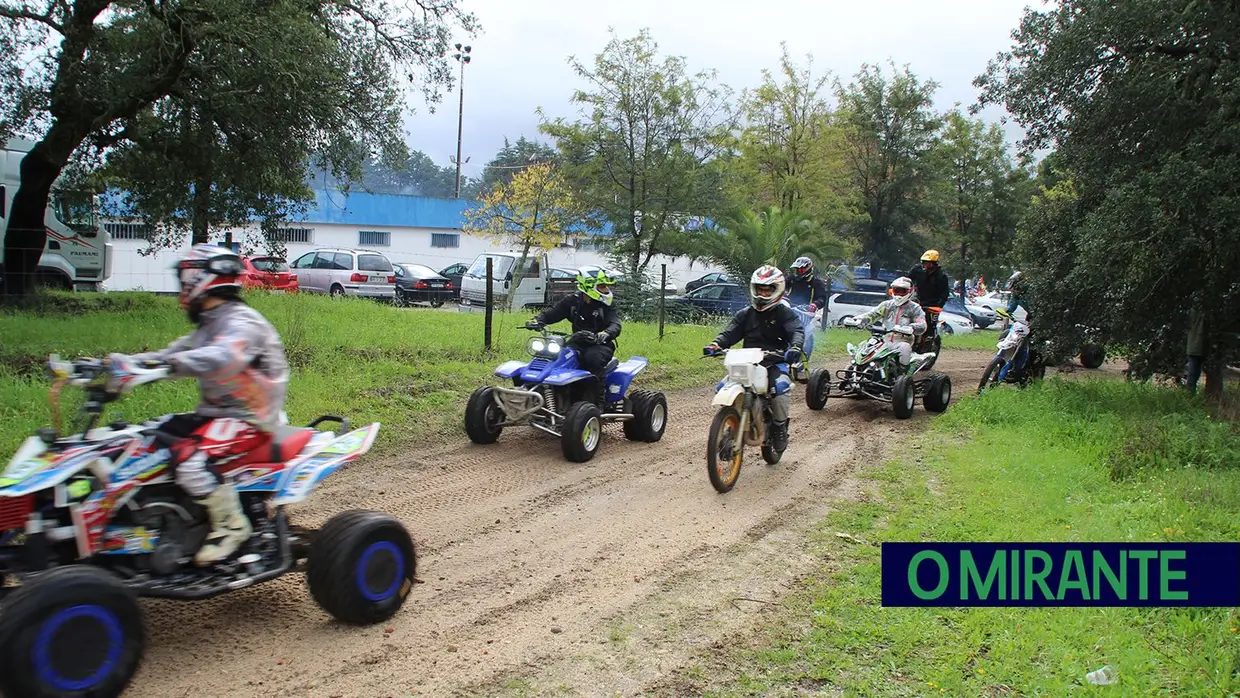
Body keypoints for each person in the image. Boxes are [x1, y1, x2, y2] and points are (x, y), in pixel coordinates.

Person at [111, 243, 291, 566]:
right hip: (216, 415)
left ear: (200, 279)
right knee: (145, 437)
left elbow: (224, 356)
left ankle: (230, 526)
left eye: (185, 279)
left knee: (191, 461)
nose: (182, 287)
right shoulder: (210, 324)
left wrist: (169, 366)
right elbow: (167, 356)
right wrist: (118, 365)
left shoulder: (243, 321)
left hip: (251, 420)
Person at [703, 265, 804, 452]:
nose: (763, 293)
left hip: (775, 361)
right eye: (760, 289)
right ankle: (731, 422)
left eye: (768, 289)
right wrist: (715, 345)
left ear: (778, 289)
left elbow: (796, 331)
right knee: (721, 386)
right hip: (746, 363)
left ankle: (780, 427)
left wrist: (795, 347)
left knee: (780, 388)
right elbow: (729, 333)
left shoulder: (784, 313)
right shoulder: (745, 314)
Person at [527, 266, 622, 384]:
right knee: (551, 355)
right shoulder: (572, 302)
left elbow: (615, 323)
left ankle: (598, 397)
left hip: (600, 345)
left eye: (607, 286)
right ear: (589, 286)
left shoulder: (606, 305)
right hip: (576, 341)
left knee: (592, 359)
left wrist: (605, 334)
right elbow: (552, 314)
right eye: (602, 286)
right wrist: (537, 321)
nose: (607, 289)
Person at [851, 276, 929, 374]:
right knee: (864, 346)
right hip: (884, 340)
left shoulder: (914, 308)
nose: (899, 294)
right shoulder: (887, 305)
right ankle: (856, 370)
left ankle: (902, 376)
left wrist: (911, 327)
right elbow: (872, 314)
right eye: (896, 290)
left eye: (902, 291)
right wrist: (860, 320)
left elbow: (922, 325)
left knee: (904, 348)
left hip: (902, 342)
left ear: (910, 291)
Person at [907, 249, 950, 351]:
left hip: (932, 304)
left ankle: (928, 343)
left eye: (929, 263)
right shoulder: (917, 270)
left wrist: (939, 306)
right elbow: (907, 280)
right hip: (916, 300)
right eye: (924, 262)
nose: (926, 265)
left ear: (934, 263)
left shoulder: (941, 276)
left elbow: (944, 293)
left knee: (929, 324)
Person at [1185, 307, 1205, 393]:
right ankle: (1190, 394)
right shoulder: (1206, 312)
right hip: (1199, 346)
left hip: (1193, 346)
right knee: (1194, 373)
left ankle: (1190, 394)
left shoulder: (1191, 311)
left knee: (1193, 373)